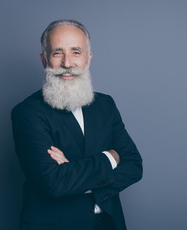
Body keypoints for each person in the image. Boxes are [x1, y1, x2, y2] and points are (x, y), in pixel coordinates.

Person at [11, 19, 143, 230]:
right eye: (57, 53)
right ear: (44, 60)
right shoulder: (27, 113)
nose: (67, 63)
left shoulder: (105, 105)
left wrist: (74, 175)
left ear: (88, 59)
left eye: (75, 52)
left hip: (108, 223)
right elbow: (55, 183)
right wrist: (110, 157)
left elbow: (134, 166)